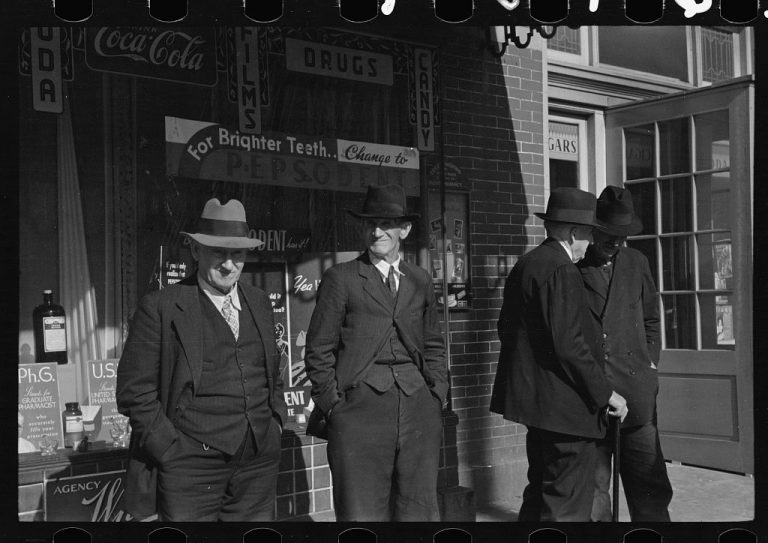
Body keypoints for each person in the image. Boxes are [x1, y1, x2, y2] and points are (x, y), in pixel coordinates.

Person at [116, 198, 287, 521]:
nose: (228, 265)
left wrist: (275, 422)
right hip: (190, 467)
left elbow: (271, 373)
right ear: (195, 251)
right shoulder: (162, 307)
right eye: (219, 253)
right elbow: (133, 391)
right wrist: (169, 449)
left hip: (257, 462)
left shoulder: (260, 303)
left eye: (237, 254)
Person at [304, 184, 448, 521]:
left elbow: (433, 344)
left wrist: (436, 392)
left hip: (418, 411)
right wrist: (335, 407)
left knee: (418, 511)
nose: (377, 232)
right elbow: (318, 348)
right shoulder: (342, 278)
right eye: (370, 224)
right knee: (361, 513)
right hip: (359, 414)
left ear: (405, 230)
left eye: (386, 224)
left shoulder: (420, 279)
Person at [490, 187, 628, 522]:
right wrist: (607, 393)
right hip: (567, 415)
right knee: (565, 508)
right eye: (588, 235)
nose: (590, 244)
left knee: (538, 497)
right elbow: (571, 346)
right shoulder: (561, 270)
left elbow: (505, 330)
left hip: (538, 412)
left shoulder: (527, 264)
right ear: (572, 232)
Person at [577, 186, 672, 522]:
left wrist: (650, 362)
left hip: (636, 393)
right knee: (594, 492)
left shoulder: (636, 262)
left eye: (622, 237)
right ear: (593, 230)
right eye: (609, 235)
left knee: (650, 488)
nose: (615, 244)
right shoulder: (574, 269)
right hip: (596, 396)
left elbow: (651, 318)